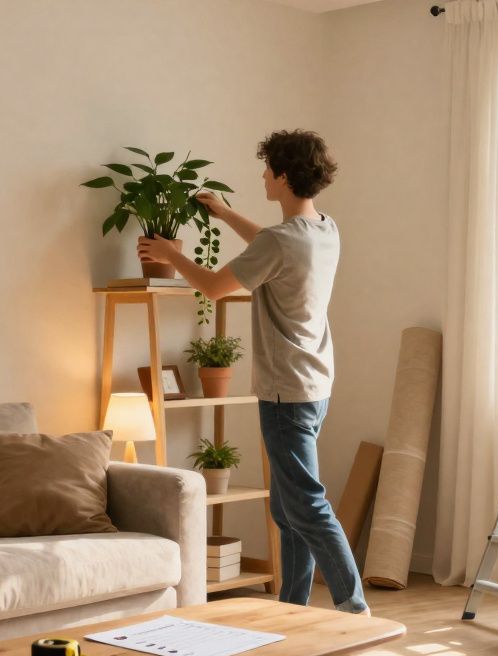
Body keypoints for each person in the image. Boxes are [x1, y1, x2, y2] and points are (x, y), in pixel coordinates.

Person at [136, 129, 368, 615]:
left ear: (282, 176)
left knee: (306, 504)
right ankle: (293, 606)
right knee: (288, 511)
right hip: (314, 384)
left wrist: (172, 256)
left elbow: (217, 287)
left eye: (267, 169)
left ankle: (353, 604)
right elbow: (271, 243)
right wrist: (223, 213)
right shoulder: (325, 229)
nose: (262, 175)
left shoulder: (281, 242)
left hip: (285, 392)